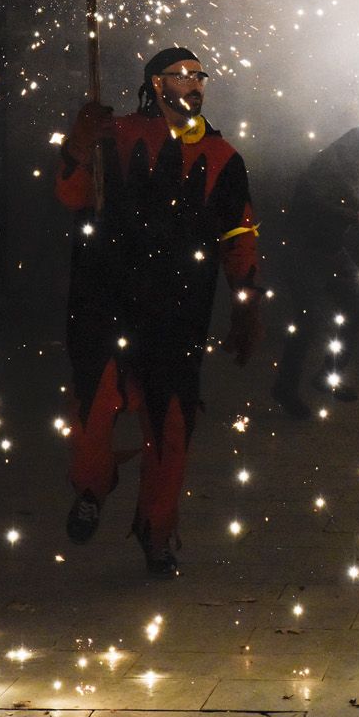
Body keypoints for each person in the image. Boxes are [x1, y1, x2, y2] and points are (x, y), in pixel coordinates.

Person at [56, 47, 263, 577]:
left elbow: (238, 233)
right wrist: (78, 146)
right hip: (106, 298)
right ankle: (92, 487)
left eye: (200, 77)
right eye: (182, 76)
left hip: (177, 310)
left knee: (171, 426)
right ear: (155, 82)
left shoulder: (222, 157)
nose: (195, 85)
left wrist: (246, 301)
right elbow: (71, 195)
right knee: (93, 410)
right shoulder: (114, 134)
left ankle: (157, 528)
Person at [270, 125, 359, 419]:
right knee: (307, 323)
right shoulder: (322, 166)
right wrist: (349, 215)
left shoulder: (351, 172)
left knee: (358, 308)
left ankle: (328, 374)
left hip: (333, 252)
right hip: (303, 254)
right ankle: (285, 388)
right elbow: (313, 204)